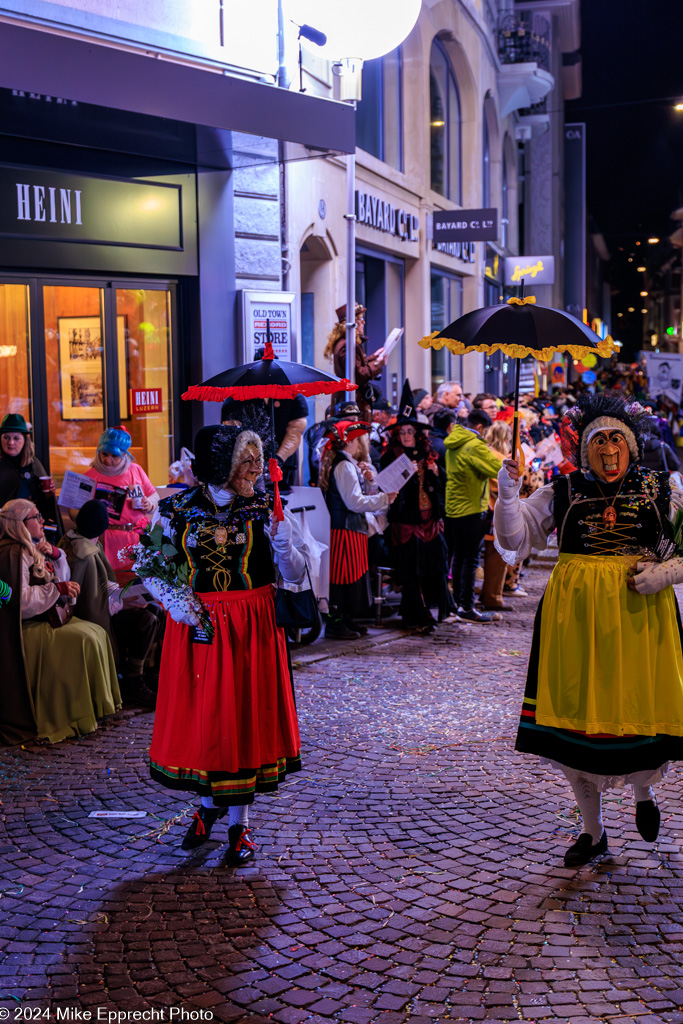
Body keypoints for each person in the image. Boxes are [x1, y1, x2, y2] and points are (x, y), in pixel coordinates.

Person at [495, 393, 683, 866]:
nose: (608, 450)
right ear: (585, 448)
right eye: (599, 441)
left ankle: (643, 793)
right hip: (574, 621)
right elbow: (515, 542)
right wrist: (506, 495)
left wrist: (666, 573)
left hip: (641, 620)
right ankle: (593, 832)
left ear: (632, 445)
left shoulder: (664, 489)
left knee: (639, 712)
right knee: (575, 727)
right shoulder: (561, 491)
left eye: (617, 439)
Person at [146, 423, 307, 866]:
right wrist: (179, 605)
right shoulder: (174, 510)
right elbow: (151, 564)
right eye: (247, 460)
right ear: (220, 465)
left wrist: (284, 545)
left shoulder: (266, 508)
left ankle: (239, 823)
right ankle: (207, 807)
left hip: (252, 626)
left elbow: (293, 577)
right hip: (196, 626)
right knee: (206, 719)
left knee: (243, 718)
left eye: (258, 460)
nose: (257, 469)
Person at [0, 498, 120, 745]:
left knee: (97, 632)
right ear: (19, 524)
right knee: (84, 639)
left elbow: (62, 580)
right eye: (36, 517)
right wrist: (56, 589)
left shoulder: (35, 546)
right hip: (24, 629)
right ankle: (73, 716)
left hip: (46, 617)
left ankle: (100, 709)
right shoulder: (13, 553)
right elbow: (20, 603)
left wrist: (58, 556)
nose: (43, 521)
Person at [59, 500, 159, 709]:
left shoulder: (77, 540)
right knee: (147, 619)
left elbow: (104, 584)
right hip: (94, 621)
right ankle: (133, 680)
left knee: (155, 609)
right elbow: (94, 603)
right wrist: (125, 601)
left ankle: (149, 674)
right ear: (103, 527)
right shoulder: (85, 554)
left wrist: (124, 595)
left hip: (104, 609)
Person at [380, 387, 451, 632]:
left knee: (431, 568)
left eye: (410, 431)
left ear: (417, 432)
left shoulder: (427, 453)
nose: (406, 435)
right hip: (406, 522)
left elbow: (442, 483)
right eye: (402, 432)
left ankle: (429, 610)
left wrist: (435, 472)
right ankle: (415, 616)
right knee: (410, 571)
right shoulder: (390, 456)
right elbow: (386, 487)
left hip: (429, 520)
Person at [319, 420, 395, 639]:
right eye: (359, 438)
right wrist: (384, 498)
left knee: (349, 578)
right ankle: (336, 624)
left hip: (349, 529)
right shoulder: (344, 465)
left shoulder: (347, 463)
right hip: (344, 530)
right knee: (341, 580)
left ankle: (346, 620)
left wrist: (369, 482)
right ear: (351, 441)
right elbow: (353, 502)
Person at [444, 408, 501, 623]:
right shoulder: (475, 446)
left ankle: (459, 604)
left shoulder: (454, 443)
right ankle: (467, 607)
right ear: (479, 427)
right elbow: (497, 469)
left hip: (453, 509)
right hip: (471, 510)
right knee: (470, 560)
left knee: (459, 558)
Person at [84, 427, 158, 585]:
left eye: (114, 456)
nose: (107, 460)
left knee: (138, 587)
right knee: (112, 586)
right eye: (104, 454)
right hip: (105, 541)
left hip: (137, 539)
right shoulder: (89, 476)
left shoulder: (135, 470)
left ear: (125, 455)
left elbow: (154, 495)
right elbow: (77, 511)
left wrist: (150, 504)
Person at [221, 395, 308, 490]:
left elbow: (295, 432)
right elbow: (232, 431)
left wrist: (279, 458)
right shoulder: (237, 396)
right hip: (247, 466)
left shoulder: (293, 396)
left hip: (284, 465)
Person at [325, 303, 387, 422]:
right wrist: (378, 364)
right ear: (353, 324)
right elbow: (359, 374)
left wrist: (375, 357)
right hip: (353, 405)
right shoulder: (347, 345)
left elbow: (355, 366)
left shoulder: (346, 343)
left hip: (353, 401)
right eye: (361, 319)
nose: (363, 322)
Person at [0, 414, 57, 527]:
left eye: (16, 438)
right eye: (6, 437)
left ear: (25, 440)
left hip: (32, 529)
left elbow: (44, 507)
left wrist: (48, 495)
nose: (11, 442)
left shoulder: (34, 465)